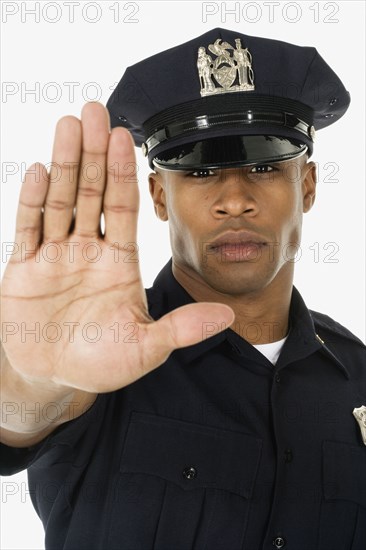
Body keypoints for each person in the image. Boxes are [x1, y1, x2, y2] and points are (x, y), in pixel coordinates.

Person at [1, 27, 365, 550]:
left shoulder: (358, 374)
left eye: (263, 166)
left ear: (306, 186)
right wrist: (33, 380)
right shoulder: (98, 353)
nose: (234, 199)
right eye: (202, 172)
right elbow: (18, 417)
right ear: (158, 196)